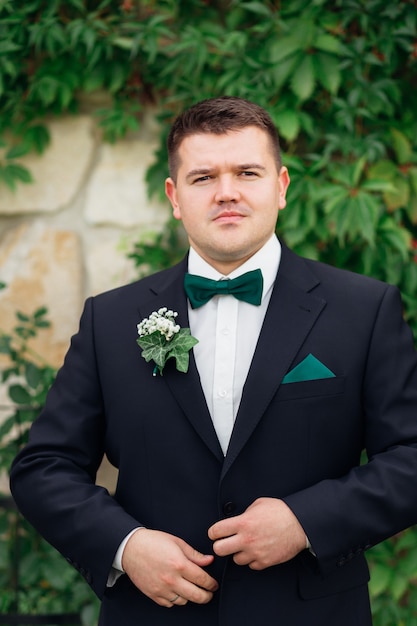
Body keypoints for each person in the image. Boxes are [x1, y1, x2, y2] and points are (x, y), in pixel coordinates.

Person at [10, 96, 417, 626]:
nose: (227, 192)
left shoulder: (364, 310)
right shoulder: (108, 321)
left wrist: (304, 521)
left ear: (282, 185)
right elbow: (43, 469)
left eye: (247, 172)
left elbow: (410, 456)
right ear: (175, 197)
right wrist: (126, 545)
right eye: (204, 178)